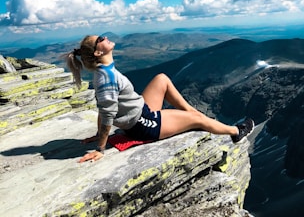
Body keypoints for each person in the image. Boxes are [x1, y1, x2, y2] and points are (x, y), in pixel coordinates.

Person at [64, 35, 254, 163]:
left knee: (161, 79)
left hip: (141, 111)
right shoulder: (107, 78)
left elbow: (103, 107)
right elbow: (106, 112)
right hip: (143, 125)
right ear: (98, 52)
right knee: (199, 121)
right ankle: (236, 131)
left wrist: (99, 133)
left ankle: (190, 112)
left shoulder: (106, 71)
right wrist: (101, 147)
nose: (104, 37)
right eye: (100, 39)